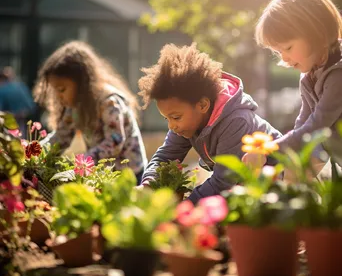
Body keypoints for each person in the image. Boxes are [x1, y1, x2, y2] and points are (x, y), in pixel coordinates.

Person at [138, 43, 282, 204]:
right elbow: (165, 156)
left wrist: (185, 209)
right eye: (167, 119)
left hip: (275, 187)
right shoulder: (187, 123)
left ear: (202, 105)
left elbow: (223, 182)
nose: (171, 126)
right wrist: (148, 183)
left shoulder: (235, 122)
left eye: (176, 117)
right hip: (243, 188)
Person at [244, 0, 342, 177]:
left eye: (288, 48)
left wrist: (269, 148)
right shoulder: (309, 76)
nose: (284, 58)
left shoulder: (338, 73)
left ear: (317, 32)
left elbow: (317, 124)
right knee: (295, 169)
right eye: (278, 52)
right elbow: (304, 122)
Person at [33, 41, 147, 183]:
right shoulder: (75, 107)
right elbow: (61, 137)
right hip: (105, 175)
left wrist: (81, 163)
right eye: (55, 91)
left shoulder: (109, 102)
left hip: (131, 175)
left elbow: (114, 143)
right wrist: (34, 154)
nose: (58, 97)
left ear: (82, 83)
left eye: (62, 90)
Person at [0, 66, 36, 135]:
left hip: (7, 124)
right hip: (21, 122)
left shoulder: (2, 90)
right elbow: (31, 106)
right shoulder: (21, 86)